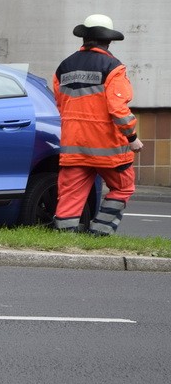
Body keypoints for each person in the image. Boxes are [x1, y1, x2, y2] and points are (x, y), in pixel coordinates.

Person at [52, 14, 144, 234]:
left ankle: (65, 239)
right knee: (123, 188)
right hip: (108, 148)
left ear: (84, 38)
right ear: (108, 40)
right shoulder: (113, 67)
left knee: (71, 195)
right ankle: (100, 233)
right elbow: (118, 109)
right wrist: (132, 137)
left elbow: (60, 104)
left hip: (73, 145)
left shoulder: (64, 67)